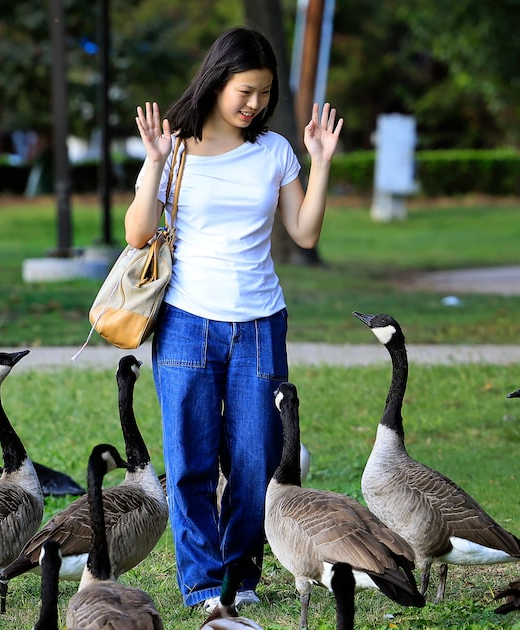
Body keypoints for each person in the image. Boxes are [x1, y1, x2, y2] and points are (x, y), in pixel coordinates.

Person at [123, 26, 343, 611]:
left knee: (254, 462)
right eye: (246, 90)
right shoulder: (175, 148)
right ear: (218, 80)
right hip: (186, 322)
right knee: (191, 460)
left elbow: (304, 231)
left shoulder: (273, 152)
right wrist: (152, 162)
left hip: (260, 324)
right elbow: (138, 233)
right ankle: (200, 582)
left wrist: (319, 162)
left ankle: (239, 579)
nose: (255, 104)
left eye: (265, 94)